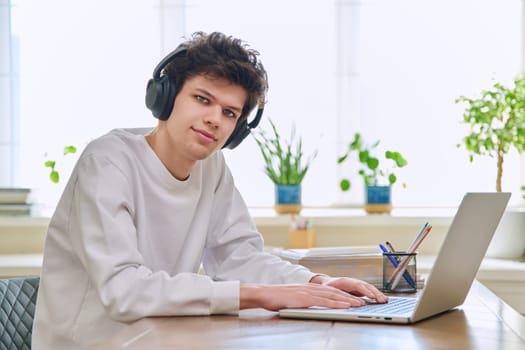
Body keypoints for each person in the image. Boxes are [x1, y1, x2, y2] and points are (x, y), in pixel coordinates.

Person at [32, 31, 387, 350]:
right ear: (165, 97)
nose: (216, 119)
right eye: (203, 99)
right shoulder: (108, 161)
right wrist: (262, 295)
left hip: (161, 340)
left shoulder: (212, 168)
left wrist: (317, 282)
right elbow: (124, 292)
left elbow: (239, 257)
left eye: (230, 113)